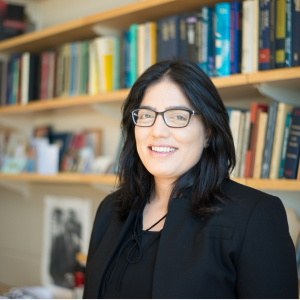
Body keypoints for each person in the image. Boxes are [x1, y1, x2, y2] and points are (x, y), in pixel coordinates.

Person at [83, 59, 299, 298]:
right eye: (146, 115)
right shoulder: (109, 209)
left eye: (178, 116)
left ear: (208, 132)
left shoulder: (255, 215)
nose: (158, 131)